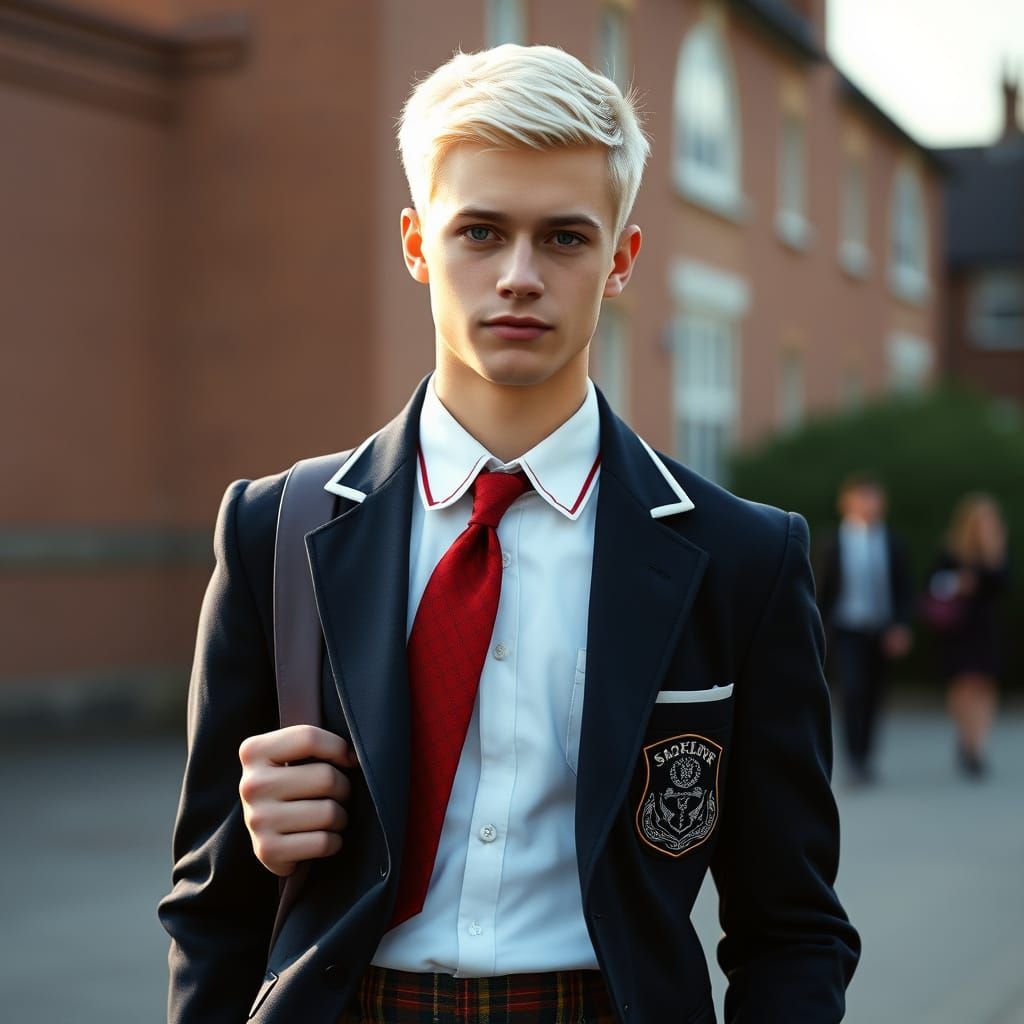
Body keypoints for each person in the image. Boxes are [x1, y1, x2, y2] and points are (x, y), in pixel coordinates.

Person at [159, 44, 859, 1024]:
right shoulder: (278, 530)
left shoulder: (743, 558)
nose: (519, 276)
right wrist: (261, 828)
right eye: (479, 232)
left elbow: (792, 926)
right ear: (415, 244)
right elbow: (213, 913)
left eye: (565, 238)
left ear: (620, 259)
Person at [817, 473, 914, 784]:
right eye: (862, 497)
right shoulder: (832, 542)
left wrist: (901, 625)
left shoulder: (893, 542)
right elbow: (820, 591)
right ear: (847, 503)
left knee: (874, 694)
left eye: (874, 497)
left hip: (881, 630)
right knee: (853, 690)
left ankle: (867, 754)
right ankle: (854, 758)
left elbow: (903, 588)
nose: (869, 503)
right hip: (846, 630)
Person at [926, 493, 1010, 779]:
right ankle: (966, 737)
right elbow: (934, 582)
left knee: (985, 683)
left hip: (985, 626)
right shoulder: (952, 550)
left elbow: (1004, 585)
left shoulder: (997, 550)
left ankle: (977, 744)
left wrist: (990, 553)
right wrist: (958, 584)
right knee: (964, 682)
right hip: (959, 626)